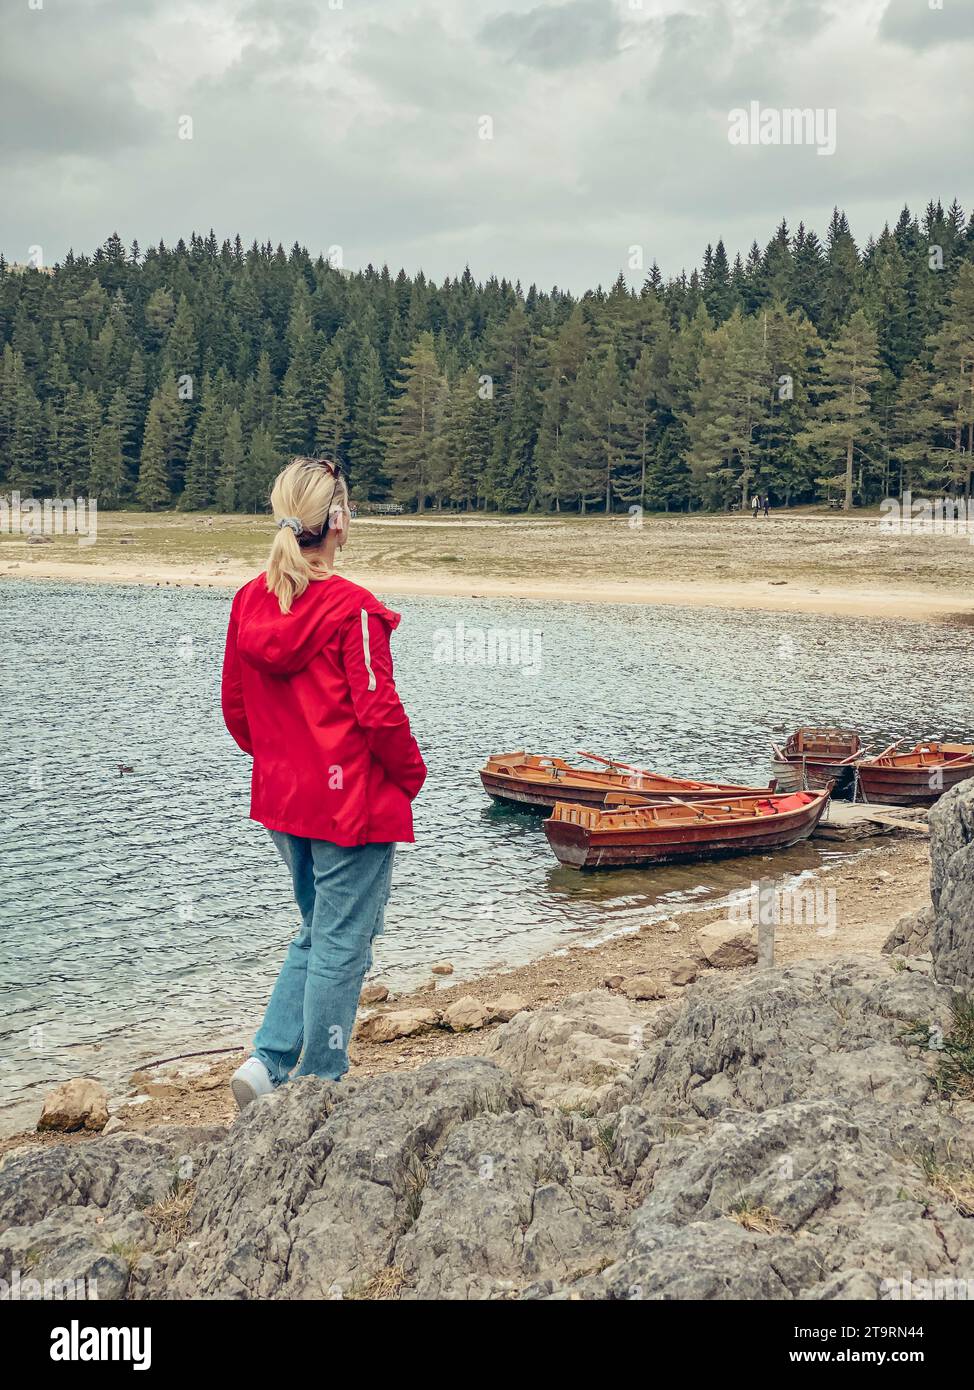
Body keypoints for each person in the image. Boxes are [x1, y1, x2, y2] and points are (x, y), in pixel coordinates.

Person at [220, 457, 426, 1109]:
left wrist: (284, 762)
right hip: (348, 808)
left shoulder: (251, 599)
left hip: (285, 802)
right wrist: (411, 774)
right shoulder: (354, 611)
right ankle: (319, 1081)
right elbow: (378, 711)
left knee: (321, 929)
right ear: (337, 520)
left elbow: (237, 709)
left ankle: (268, 1061)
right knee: (343, 937)